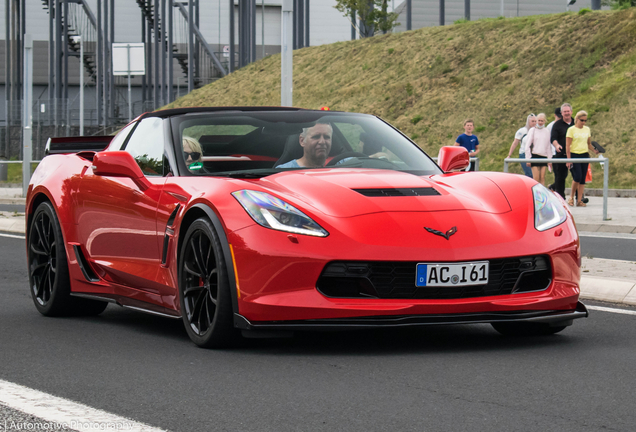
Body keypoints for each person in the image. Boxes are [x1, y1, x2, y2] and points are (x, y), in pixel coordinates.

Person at [566, 110, 598, 207]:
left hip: (584, 154)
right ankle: (571, 197)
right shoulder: (571, 130)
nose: (583, 122)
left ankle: (579, 200)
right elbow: (568, 145)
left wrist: (594, 150)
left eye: (585, 120)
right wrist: (568, 159)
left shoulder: (587, 129)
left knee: (583, 178)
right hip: (575, 154)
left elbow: (588, 143)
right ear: (577, 119)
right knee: (577, 176)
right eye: (582, 120)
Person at [549, 103, 574, 199]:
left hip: (574, 154)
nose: (567, 113)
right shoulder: (557, 125)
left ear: (571, 112)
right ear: (561, 113)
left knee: (577, 177)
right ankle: (560, 198)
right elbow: (553, 138)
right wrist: (556, 145)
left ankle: (578, 198)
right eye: (565, 111)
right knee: (560, 177)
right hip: (561, 154)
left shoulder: (575, 123)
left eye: (568, 111)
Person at [525, 113, 554, 186]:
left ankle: (542, 195)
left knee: (542, 177)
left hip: (543, 156)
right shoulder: (533, 130)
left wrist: (549, 159)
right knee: (536, 178)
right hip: (535, 155)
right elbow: (527, 145)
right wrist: (528, 158)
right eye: (539, 120)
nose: (540, 122)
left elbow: (548, 146)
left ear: (544, 121)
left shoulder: (547, 131)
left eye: (542, 121)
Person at [508, 114, 536, 178]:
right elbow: (515, 143)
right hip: (524, 154)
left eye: (535, 121)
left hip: (534, 154)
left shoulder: (537, 131)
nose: (534, 123)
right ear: (528, 122)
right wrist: (509, 155)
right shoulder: (522, 131)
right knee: (529, 174)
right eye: (532, 121)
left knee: (536, 175)